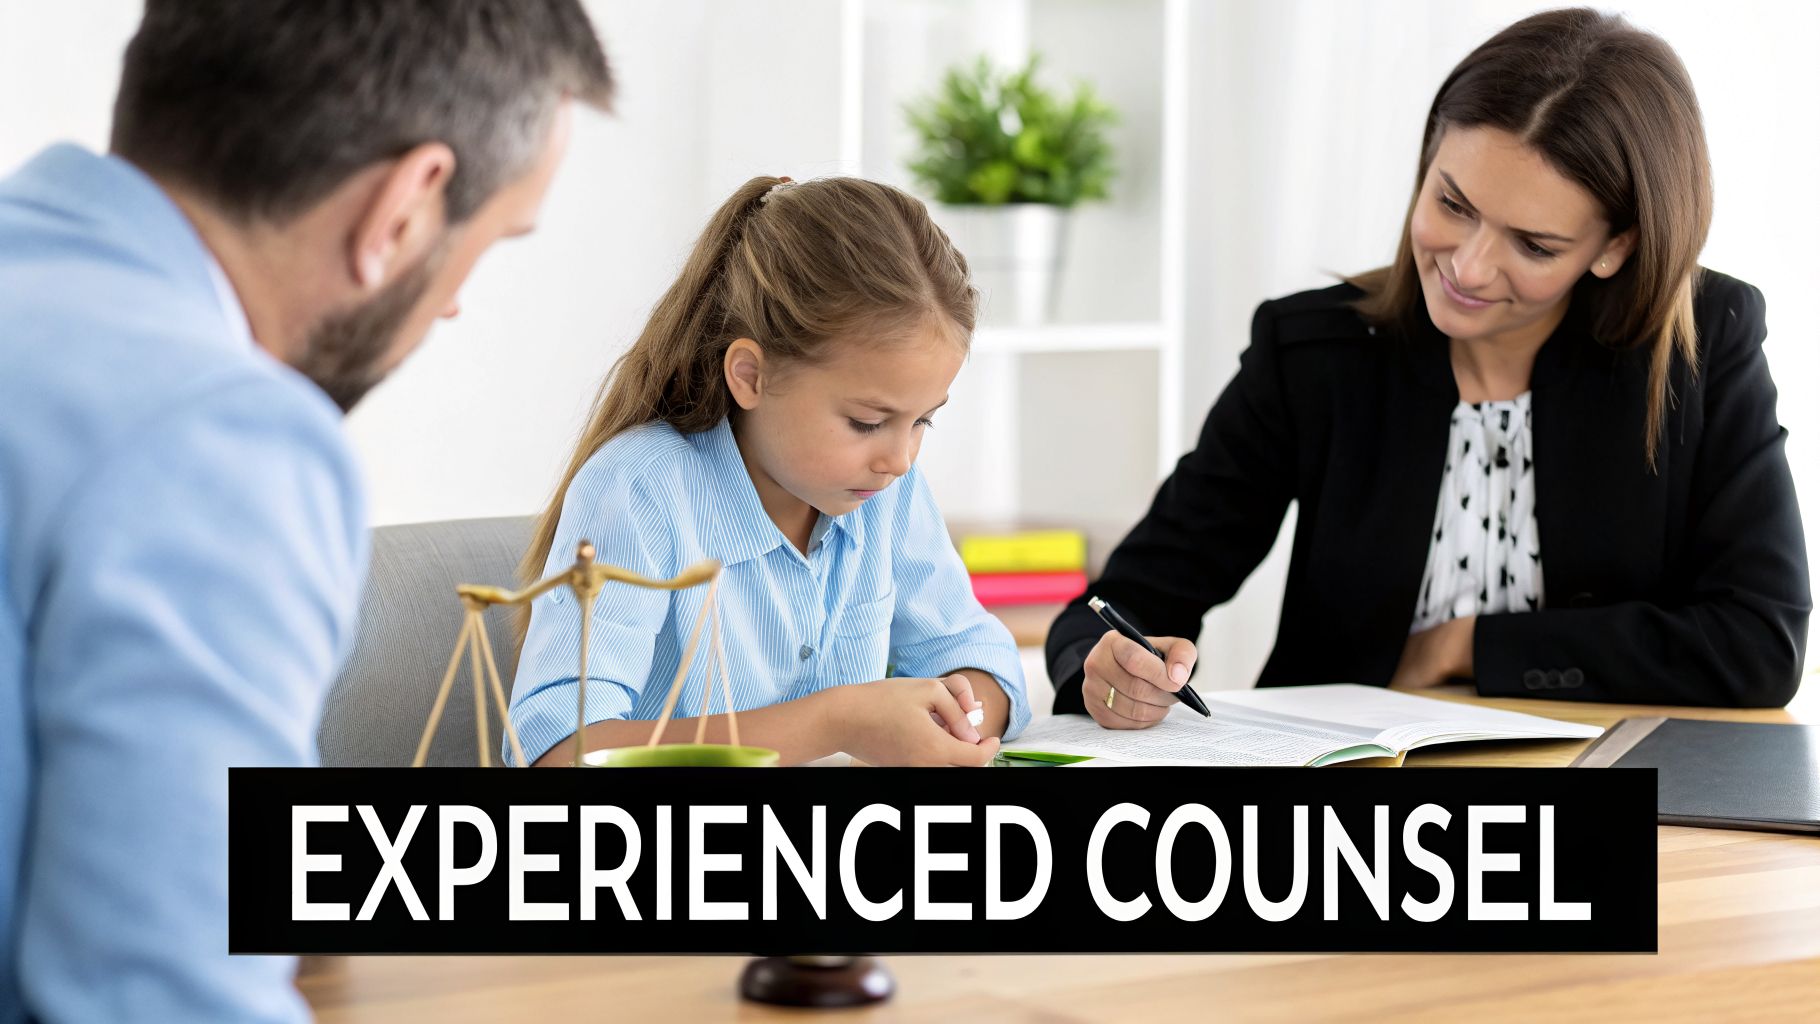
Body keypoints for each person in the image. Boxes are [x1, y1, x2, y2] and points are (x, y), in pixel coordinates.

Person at [0, 2, 613, 1019]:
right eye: (489, 242)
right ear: (405, 209)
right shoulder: (215, 432)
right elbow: (159, 998)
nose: (453, 301)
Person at [1046, 7, 1809, 728]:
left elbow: (1760, 643)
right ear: (1427, 161)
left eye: (1533, 246)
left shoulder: (1706, 341)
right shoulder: (1312, 351)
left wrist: (1464, 646)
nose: (1470, 268)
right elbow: (1120, 606)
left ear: (1617, 247)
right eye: (1452, 202)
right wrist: (1106, 668)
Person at [510, 175, 1030, 768]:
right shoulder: (641, 489)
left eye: (922, 423)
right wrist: (838, 721)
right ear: (751, 376)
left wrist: (962, 714)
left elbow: (986, 662)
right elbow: (559, 752)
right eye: (866, 422)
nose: (900, 459)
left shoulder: (887, 490)